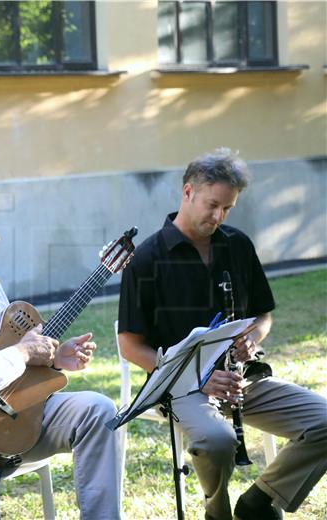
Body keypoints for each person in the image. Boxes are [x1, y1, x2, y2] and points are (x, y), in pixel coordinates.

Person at [118, 148, 327, 520]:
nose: (218, 217)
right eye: (212, 205)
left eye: (227, 209)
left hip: (242, 381)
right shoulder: (147, 258)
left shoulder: (238, 245)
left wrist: (254, 336)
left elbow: (262, 315)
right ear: (188, 193)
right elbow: (130, 345)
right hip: (182, 388)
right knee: (217, 441)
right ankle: (218, 513)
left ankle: (259, 500)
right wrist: (196, 375)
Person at [0, 202, 123, 520]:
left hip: (17, 417)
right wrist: (23, 353)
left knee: (100, 411)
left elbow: (12, 352)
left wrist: (52, 358)